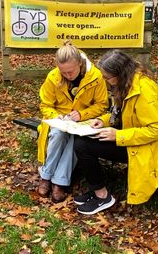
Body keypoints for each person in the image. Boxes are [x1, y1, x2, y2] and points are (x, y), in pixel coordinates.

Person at [73, 50, 158, 215]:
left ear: (120, 73)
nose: (106, 81)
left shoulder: (144, 90)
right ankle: (98, 190)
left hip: (148, 148)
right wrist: (103, 121)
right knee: (82, 142)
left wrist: (117, 136)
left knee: (83, 146)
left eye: (107, 77)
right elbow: (118, 113)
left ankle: (102, 196)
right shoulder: (125, 84)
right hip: (131, 139)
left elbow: (156, 130)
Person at [37, 41, 108, 203]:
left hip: (84, 122)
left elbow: (102, 105)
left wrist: (82, 114)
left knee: (76, 141)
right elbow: (45, 104)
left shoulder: (96, 77)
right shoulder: (53, 76)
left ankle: (58, 183)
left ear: (80, 64)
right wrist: (56, 116)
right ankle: (46, 177)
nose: (67, 75)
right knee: (57, 133)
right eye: (63, 72)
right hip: (60, 120)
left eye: (70, 71)